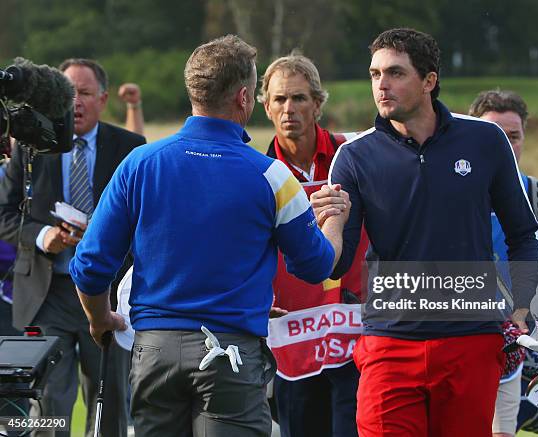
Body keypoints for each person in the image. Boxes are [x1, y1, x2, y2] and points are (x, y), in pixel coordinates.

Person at [69, 35, 350, 437]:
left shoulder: (140, 163)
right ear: (243, 98)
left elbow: (90, 265)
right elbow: (318, 266)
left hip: (155, 353)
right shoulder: (272, 175)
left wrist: (101, 319)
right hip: (231, 355)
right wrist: (335, 221)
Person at [311, 28, 538, 437]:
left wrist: (522, 307)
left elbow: (523, 233)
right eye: (374, 74)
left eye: (395, 73)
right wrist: (326, 226)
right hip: (389, 344)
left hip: (470, 341)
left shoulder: (485, 140)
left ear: (429, 81)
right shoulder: (353, 157)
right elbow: (339, 260)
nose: (381, 85)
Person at [0, 58, 146, 437]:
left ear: (103, 98)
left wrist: (104, 237)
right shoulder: (31, 144)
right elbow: (4, 214)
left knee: (112, 404)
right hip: (47, 294)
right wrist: (42, 236)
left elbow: (146, 221)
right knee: (51, 407)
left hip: (107, 295)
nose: (75, 102)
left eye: (84, 93)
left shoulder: (130, 147)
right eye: (68, 93)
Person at [259, 53, 366, 437]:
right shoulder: (256, 173)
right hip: (292, 335)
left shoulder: (353, 156)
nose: (290, 109)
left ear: (318, 103)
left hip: (356, 330)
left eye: (300, 98)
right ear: (266, 107)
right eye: (280, 100)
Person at [468, 89, 538, 436]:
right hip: (454, 337)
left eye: (513, 136)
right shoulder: (449, 189)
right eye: (494, 134)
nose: (505, 144)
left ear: (524, 139)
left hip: (511, 343)